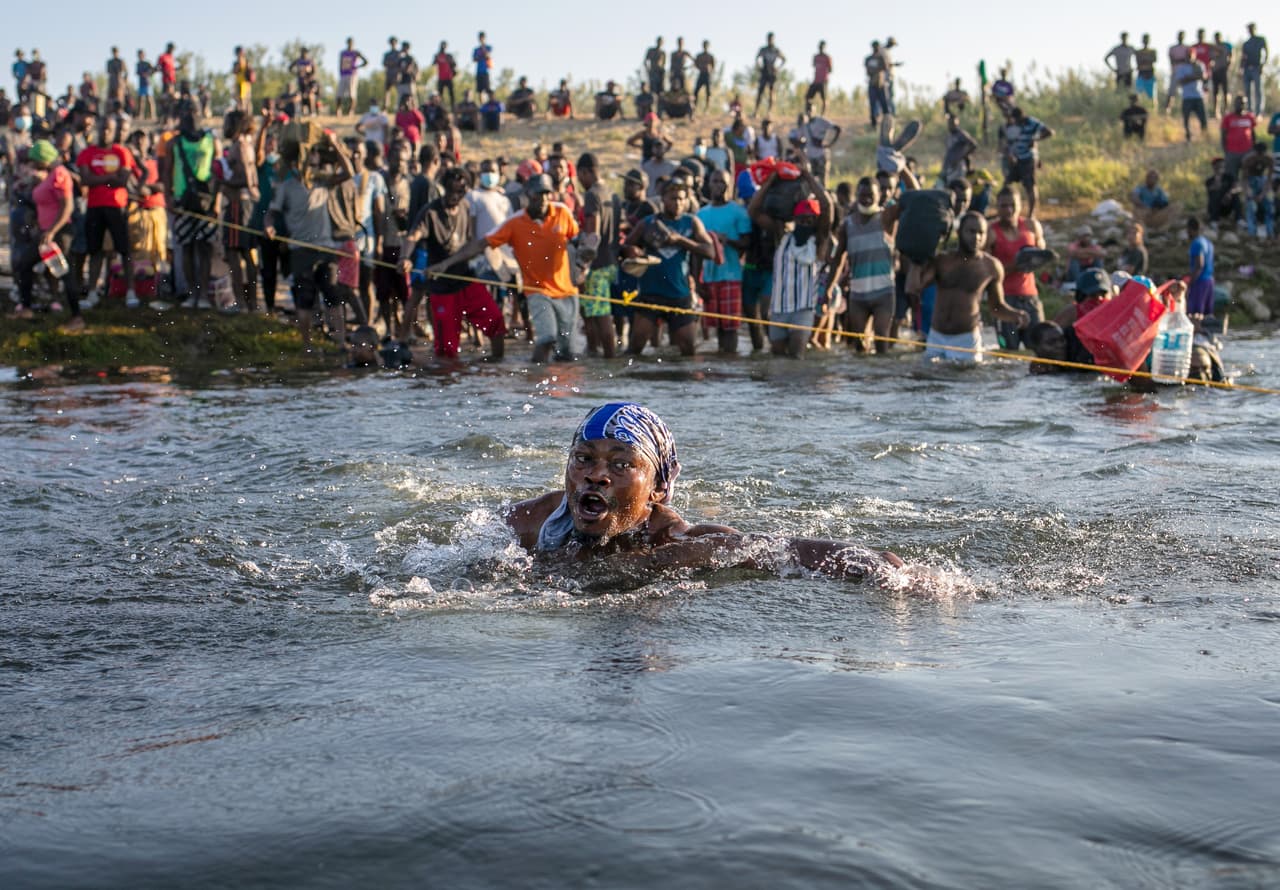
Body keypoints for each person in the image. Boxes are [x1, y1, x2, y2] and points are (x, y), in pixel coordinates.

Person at [508, 402, 905, 581]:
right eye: (583, 458)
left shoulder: (673, 540)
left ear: (659, 488)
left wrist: (872, 564)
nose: (595, 476)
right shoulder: (532, 521)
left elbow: (771, 550)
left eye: (621, 464)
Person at [430, 173, 580, 363]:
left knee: (567, 352)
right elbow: (479, 244)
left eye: (546, 194)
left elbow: (579, 239)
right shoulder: (515, 222)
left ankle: (561, 388)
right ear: (527, 194)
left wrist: (584, 261)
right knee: (547, 339)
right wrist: (446, 263)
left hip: (566, 292)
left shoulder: (562, 212)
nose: (542, 199)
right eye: (537, 194)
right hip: (537, 291)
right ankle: (534, 380)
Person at [399, 166, 505, 362]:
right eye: (451, 190)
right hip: (442, 289)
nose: (455, 196)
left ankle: (496, 364)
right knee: (446, 351)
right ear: (444, 188)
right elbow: (413, 236)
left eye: (460, 191)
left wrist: (446, 264)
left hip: (466, 279)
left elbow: (470, 244)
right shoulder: (430, 212)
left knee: (496, 323)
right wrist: (404, 257)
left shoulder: (466, 207)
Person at [266, 132, 357, 347]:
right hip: (301, 250)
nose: (314, 157)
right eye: (311, 153)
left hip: (325, 248)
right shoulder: (286, 187)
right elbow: (272, 213)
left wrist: (335, 144)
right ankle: (307, 345)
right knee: (304, 299)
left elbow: (349, 172)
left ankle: (341, 341)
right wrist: (268, 226)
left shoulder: (322, 181)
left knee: (333, 295)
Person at [906, 212, 1029, 362]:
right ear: (959, 233)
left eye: (981, 233)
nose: (976, 237)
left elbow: (996, 307)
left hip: (966, 339)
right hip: (937, 336)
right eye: (971, 231)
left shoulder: (991, 267)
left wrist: (1015, 315)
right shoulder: (943, 261)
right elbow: (915, 289)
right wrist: (915, 262)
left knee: (967, 382)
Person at [747, 158, 833, 358]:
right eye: (802, 219)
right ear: (794, 219)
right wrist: (770, 182)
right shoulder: (782, 235)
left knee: (796, 358)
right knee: (778, 358)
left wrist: (808, 176)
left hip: (803, 310)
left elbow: (827, 205)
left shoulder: (818, 241)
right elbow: (753, 210)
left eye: (810, 219)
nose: (806, 222)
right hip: (778, 310)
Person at [620, 178, 715, 356]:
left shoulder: (691, 222)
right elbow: (624, 247)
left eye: (681, 198)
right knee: (635, 347)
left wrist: (680, 240)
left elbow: (710, 251)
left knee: (688, 349)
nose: (678, 203)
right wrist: (631, 251)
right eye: (673, 198)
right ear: (663, 199)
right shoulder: (647, 223)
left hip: (680, 295)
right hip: (650, 294)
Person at [826, 172, 913, 354]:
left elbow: (912, 197)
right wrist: (829, 287)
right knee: (859, 347)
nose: (866, 200)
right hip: (858, 295)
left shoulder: (886, 218)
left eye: (870, 196)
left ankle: (881, 380)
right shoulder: (847, 225)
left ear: (879, 196)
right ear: (857, 196)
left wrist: (902, 170)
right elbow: (838, 260)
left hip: (884, 294)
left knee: (881, 343)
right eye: (862, 196)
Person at [14, 139, 83, 326]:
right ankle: (26, 308)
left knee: (65, 272)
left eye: (35, 160)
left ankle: (77, 317)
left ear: (43, 158)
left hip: (59, 233)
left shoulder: (60, 174)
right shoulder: (50, 175)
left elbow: (67, 207)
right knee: (25, 264)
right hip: (46, 232)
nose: (33, 164)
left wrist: (52, 231)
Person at [77, 114, 139, 307]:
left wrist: (99, 178)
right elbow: (85, 180)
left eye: (109, 129)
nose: (105, 132)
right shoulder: (87, 153)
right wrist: (109, 177)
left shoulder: (122, 152)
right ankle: (93, 292)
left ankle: (130, 291)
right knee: (95, 251)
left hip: (117, 206)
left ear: (114, 131)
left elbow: (122, 180)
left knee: (124, 249)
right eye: (102, 128)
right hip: (94, 207)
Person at [696, 168, 751, 354]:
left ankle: (730, 361)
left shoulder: (738, 212)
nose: (719, 186)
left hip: (731, 274)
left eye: (723, 182)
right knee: (716, 325)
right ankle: (721, 365)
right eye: (715, 181)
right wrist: (697, 281)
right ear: (709, 184)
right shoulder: (701, 215)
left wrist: (726, 240)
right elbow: (696, 251)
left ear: (730, 185)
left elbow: (746, 243)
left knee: (730, 326)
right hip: (709, 276)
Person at [985, 187, 1046, 351]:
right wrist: (1016, 265)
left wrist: (1038, 258)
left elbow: (1042, 253)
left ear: (1020, 205)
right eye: (1003, 206)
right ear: (997, 207)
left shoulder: (1031, 226)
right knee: (1008, 351)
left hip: (1030, 296)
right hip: (1004, 299)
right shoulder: (991, 232)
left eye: (1012, 205)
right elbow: (985, 269)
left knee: (1039, 348)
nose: (1009, 210)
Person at [169, 109, 219, 308]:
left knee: (205, 248)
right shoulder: (174, 142)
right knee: (187, 247)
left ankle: (205, 294)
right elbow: (166, 171)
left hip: (206, 200)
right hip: (183, 199)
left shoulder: (211, 140)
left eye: (195, 113)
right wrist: (169, 197)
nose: (192, 118)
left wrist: (216, 201)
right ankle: (192, 293)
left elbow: (218, 173)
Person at [576, 153, 620, 358]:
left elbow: (593, 235)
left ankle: (610, 360)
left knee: (601, 314)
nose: (579, 181)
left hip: (597, 264)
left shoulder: (592, 194)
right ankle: (595, 354)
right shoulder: (612, 193)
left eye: (580, 176)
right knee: (593, 312)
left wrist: (583, 266)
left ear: (585, 172)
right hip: (611, 262)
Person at [218, 109, 260, 312]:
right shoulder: (247, 145)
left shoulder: (239, 146)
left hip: (238, 205)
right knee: (246, 253)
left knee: (234, 253)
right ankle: (251, 302)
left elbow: (245, 179)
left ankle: (242, 303)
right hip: (246, 204)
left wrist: (222, 181)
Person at [1003, 106, 1052, 218]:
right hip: (1017, 159)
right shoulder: (1014, 126)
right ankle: (1007, 208)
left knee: (1030, 186)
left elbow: (1049, 132)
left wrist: (1035, 139)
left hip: (1028, 159)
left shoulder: (1032, 122)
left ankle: (1031, 213)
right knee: (1007, 183)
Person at [1242, 141, 1275, 238]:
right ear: (1254, 152)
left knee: (1269, 205)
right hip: (1250, 180)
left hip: (1263, 180)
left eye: (1262, 154)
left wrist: (1263, 194)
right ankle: (1251, 232)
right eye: (1258, 154)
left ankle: (1270, 231)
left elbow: (1269, 179)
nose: (1260, 156)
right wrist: (1248, 191)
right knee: (1250, 205)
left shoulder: (1269, 159)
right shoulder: (1248, 159)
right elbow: (1244, 178)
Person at [1185, 216, 1215, 320]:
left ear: (1190, 229)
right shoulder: (1208, 243)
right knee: (1207, 315)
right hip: (1209, 281)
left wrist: (1190, 281)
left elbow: (1200, 265)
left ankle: (1197, 333)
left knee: (1195, 314)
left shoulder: (1196, 243)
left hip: (1200, 281)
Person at [1221, 95, 1257, 178]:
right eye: (1239, 103)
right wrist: (1226, 151)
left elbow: (1253, 134)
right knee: (1231, 177)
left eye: (1243, 103)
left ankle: (1247, 190)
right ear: (1235, 104)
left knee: (1249, 176)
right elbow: (1223, 135)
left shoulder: (1250, 117)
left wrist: (1254, 149)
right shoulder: (1228, 117)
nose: (1241, 105)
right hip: (1232, 152)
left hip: (1248, 152)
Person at [1175, 53, 1207, 141]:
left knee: (1203, 118)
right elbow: (1180, 81)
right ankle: (1188, 136)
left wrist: (1189, 77)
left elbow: (1204, 77)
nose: (1190, 57)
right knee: (1186, 118)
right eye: (1188, 55)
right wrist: (1194, 76)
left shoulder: (1200, 65)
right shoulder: (1181, 67)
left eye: (1191, 55)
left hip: (1198, 95)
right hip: (1187, 97)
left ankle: (1205, 136)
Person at [753, 33, 785, 117]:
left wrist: (777, 68)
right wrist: (759, 67)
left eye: (771, 39)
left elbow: (784, 59)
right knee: (760, 92)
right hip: (764, 72)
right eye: (768, 38)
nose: (770, 40)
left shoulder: (776, 50)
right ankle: (756, 111)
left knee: (771, 93)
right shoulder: (763, 49)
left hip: (772, 73)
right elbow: (757, 58)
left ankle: (769, 112)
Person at [941, 114, 978, 184]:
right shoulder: (949, 135)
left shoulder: (961, 134)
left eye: (952, 123)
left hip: (959, 166)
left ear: (957, 123)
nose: (950, 125)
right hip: (949, 166)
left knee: (958, 185)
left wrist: (962, 156)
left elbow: (973, 145)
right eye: (949, 123)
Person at [1204, 156, 1241, 223]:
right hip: (1216, 207)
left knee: (1235, 196)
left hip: (1228, 206)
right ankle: (1214, 220)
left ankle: (1239, 219)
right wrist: (1218, 176)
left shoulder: (1229, 177)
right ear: (1214, 166)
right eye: (1218, 165)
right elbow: (1214, 189)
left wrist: (1229, 193)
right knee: (1215, 195)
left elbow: (1238, 188)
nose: (1221, 166)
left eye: (1222, 164)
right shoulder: (1209, 181)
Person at [337, 38, 368, 116]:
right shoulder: (343, 53)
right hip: (343, 74)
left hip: (352, 74)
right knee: (339, 94)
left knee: (352, 94)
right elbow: (340, 63)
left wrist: (357, 67)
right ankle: (339, 110)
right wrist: (340, 72)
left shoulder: (356, 52)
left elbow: (366, 61)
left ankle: (351, 111)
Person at [1241, 23, 1267, 114]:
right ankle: (1249, 111)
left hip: (1257, 67)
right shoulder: (1246, 43)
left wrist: (1263, 65)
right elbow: (1243, 57)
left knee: (1258, 90)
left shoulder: (1261, 40)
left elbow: (1266, 53)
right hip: (1247, 68)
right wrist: (1241, 68)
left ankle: (1259, 111)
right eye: (1249, 29)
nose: (1250, 30)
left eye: (1252, 28)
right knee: (1247, 91)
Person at [865, 41, 890, 127]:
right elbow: (868, 71)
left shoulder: (881, 58)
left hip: (881, 84)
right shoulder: (868, 58)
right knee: (873, 104)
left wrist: (875, 70)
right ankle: (874, 124)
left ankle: (887, 123)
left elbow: (885, 67)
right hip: (872, 84)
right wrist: (876, 70)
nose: (876, 48)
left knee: (884, 104)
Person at [1209, 32, 1234, 118]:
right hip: (1215, 71)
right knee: (1215, 92)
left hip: (1224, 70)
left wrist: (1228, 66)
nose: (1217, 39)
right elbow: (1210, 59)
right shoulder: (1212, 47)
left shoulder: (1227, 45)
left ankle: (1226, 110)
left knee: (1226, 91)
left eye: (1218, 37)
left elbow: (1231, 56)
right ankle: (1216, 112)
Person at [808, 41, 832, 115]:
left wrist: (825, 76)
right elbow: (813, 65)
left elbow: (830, 69)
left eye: (822, 46)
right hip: (816, 81)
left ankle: (823, 114)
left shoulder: (827, 57)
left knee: (824, 99)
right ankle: (809, 112)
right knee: (808, 97)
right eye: (820, 46)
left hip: (823, 81)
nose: (821, 48)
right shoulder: (815, 57)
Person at [433, 41, 457, 111]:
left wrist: (451, 63)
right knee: (440, 94)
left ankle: (453, 107)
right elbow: (433, 63)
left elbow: (454, 64)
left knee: (451, 93)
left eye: (444, 45)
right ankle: (440, 107)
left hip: (449, 76)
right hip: (441, 77)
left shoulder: (449, 55)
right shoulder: (437, 55)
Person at [1134, 34, 1158, 100]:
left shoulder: (1153, 51)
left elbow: (1154, 60)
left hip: (1150, 75)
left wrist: (1144, 61)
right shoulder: (1138, 52)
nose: (1146, 41)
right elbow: (1138, 61)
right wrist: (1147, 60)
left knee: (1152, 96)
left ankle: (1153, 110)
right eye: (1144, 39)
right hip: (1141, 75)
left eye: (1147, 39)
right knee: (1139, 95)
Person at [693, 41, 715, 112]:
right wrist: (700, 67)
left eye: (706, 45)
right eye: (704, 45)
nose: (705, 46)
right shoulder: (699, 56)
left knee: (708, 92)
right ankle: (694, 106)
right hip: (701, 74)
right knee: (696, 91)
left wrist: (709, 69)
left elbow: (713, 66)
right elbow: (695, 64)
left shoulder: (710, 56)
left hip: (708, 75)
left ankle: (707, 108)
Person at [381, 37, 401, 111]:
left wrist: (391, 63)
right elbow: (384, 63)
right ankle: (385, 107)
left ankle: (399, 107)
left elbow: (399, 63)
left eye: (394, 42)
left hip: (396, 75)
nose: (392, 44)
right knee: (386, 92)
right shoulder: (387, 54)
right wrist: (392, 63)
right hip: (388, 74)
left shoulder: (399, 53)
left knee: (398, 92)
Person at [134, 50, 155, 120]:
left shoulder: (148, 63)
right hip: (141, 84)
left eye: (141, 54)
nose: (140, 56)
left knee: (149, 99)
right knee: (141, 100)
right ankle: (140, 115)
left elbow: (154, 70)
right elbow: (137, 72)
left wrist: (148, 73)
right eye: (139, 55)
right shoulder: (138, 64)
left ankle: (152, 115)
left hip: (148, 83)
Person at [231, 46, 253, 112]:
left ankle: (247, 113)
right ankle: (241, 112)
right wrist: (239, 64)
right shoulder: (236, 62)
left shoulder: (246, 61)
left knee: (246, 100)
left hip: (245, 83)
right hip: (239, 83)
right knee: (239, 99)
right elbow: (234, 71)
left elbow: (250, 71)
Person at [472, 32, 493, 98]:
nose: (481, 39)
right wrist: (480, 56)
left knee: (487, 89)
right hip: (478, 71)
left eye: (482, 37)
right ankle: (482, 106)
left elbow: (487, 55)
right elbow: (474, 59)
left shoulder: (488, 47)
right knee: (480, 90)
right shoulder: (476, 49)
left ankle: (488, 103)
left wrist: (483, 47)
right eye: (480, 38)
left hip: (485, 71)